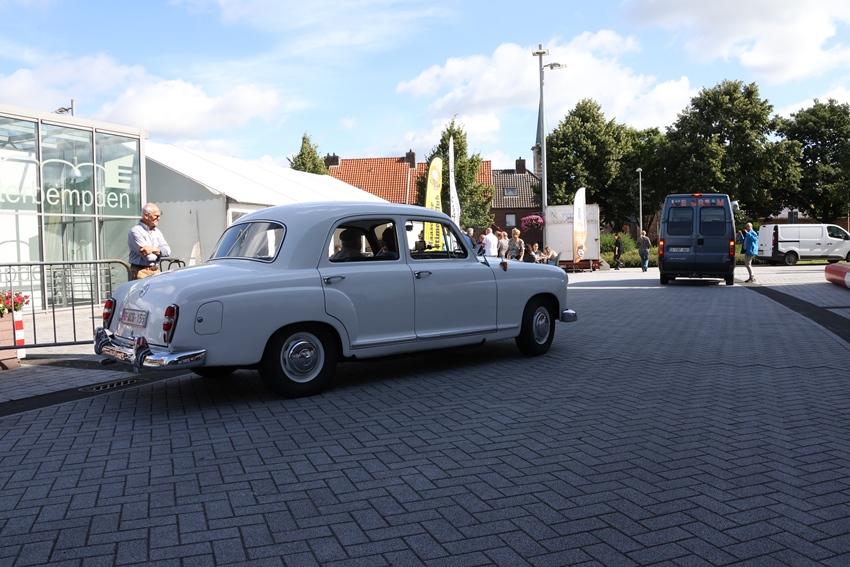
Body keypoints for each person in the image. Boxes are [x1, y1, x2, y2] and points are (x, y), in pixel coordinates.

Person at [128, 203, 170, 280]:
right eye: (156, 216)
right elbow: (149, 257)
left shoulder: (157, 232)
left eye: (159, 216)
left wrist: (153, 249)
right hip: (141, 272)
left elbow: (168, 251)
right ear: (146, 216)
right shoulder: (135, 231)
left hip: (156, 270)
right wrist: (160, 252)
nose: (159, 218)